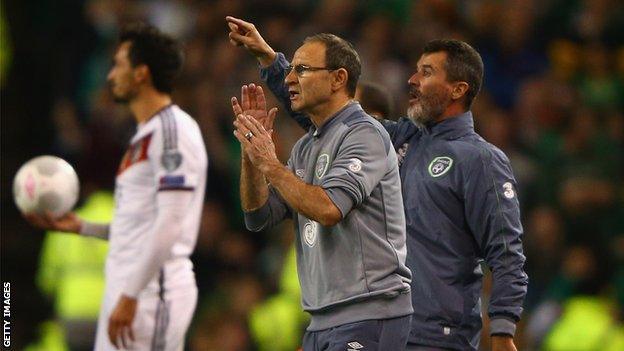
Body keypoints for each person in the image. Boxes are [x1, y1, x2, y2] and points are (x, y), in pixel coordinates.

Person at [227, 16, 528, 351]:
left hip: (437, 335)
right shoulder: (400, 139)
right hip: (385, 325)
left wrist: (502, 331)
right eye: (415, 70)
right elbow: (328, 115)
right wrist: (270, 60)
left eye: (427, 72)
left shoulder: (480, 159)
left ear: (458, 89)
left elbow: (506, 253)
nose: (412, 80)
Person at [228, 23, 413, 350]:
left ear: (338, 79)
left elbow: (329, 209)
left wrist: (270, 163)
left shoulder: (365, 134)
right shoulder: (305, 148)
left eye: (302, 69)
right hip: (321, 319)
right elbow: (258, 216)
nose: (288, 79)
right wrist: (251, 154)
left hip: (368, 313)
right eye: (291, 70)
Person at [26, 23, 207, 351]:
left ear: (141, 74)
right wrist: (83, 226)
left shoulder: (172, 132)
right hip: (128, 292)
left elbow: (171, 223)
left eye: (118, 65)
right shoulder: (143, 136)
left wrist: (131, 294)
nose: (110, 76)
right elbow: (140, 227)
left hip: (153, 294)